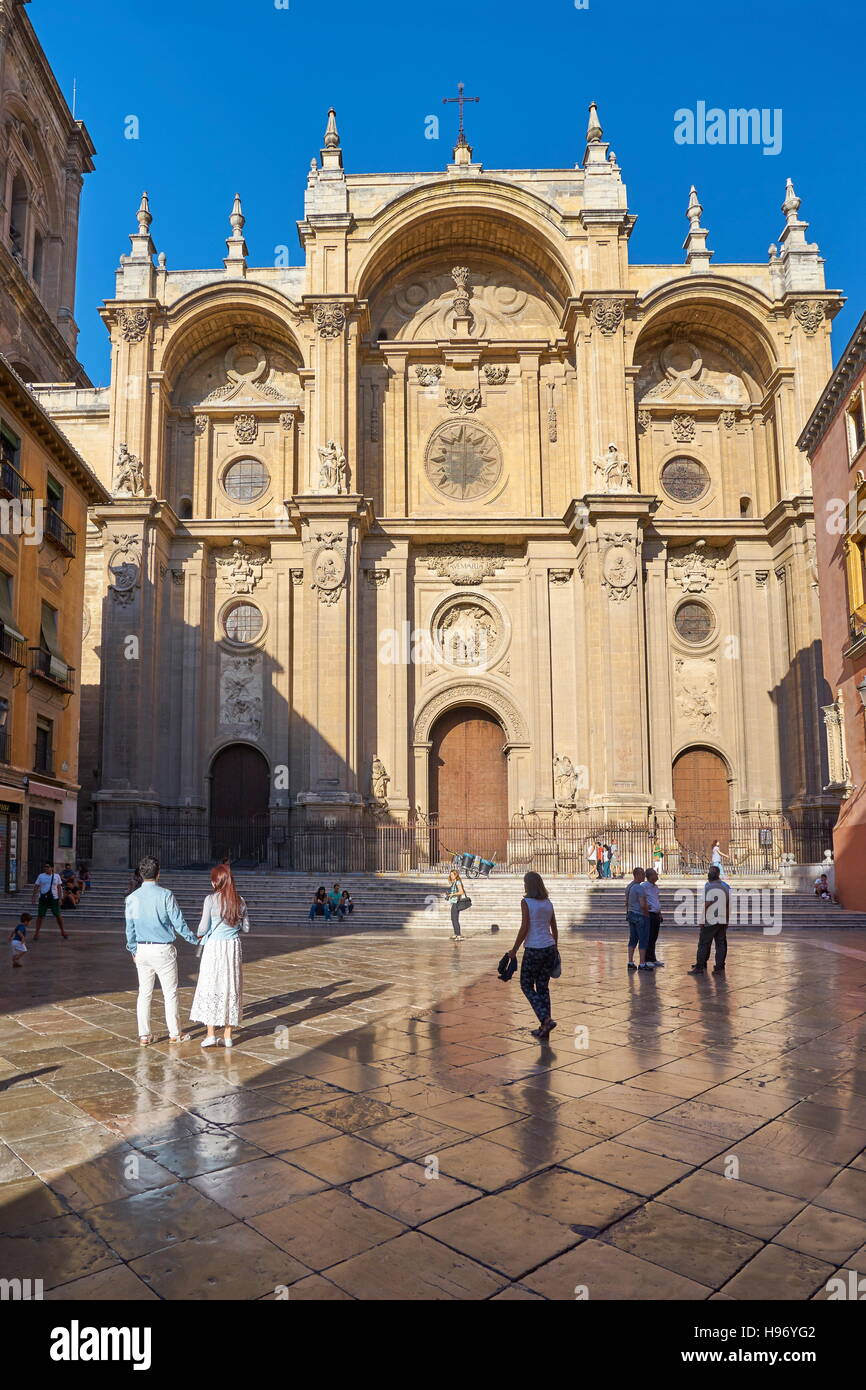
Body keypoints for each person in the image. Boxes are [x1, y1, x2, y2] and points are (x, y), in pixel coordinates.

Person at [125, 855, 199, 1045]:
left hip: (141, 949)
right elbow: (178, 923)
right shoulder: (165, 895)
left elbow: (129, 928)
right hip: (162, 950)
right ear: (158, 874)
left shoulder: (132, 898)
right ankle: (175, 1033)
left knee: (144, 993)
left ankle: (144, 1035)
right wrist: (193, 938)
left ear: (141, 874)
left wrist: (133, 949)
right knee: (170, 992)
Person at [191, 863, 250, 1049]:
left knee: (211, 985)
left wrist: (201, 932)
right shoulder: (240, 900)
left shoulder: (210, 899)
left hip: (214, 947)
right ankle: (228, 1035)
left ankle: (210, 1034)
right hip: (232, 947)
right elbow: (246, 928)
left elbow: (202, 927)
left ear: (216, 881)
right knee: (231, 986)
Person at [507, 871, 559, 1039]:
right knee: (543, 987)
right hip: (549, 947)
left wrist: (514, 949)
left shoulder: (526, 902)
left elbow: (525, 928)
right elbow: (554, 928)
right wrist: (555, 947)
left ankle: (546, 1019)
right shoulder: (548, 903)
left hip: (534, 948)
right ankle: (544, 1027)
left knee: (526, 985)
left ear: (528, 885)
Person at [689, 864, 731, 975]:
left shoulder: (709, 887)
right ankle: (719, 967)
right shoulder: (725, 887)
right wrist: (727, 920)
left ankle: (699, 967)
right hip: (722, 919)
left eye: (710, 872)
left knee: (703, 943)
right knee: (721, 944)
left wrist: (702, 920)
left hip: (711, 919)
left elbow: (707, 905)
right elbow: (727, 905)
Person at [31, 862, 68, 940]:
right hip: (43, 898)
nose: (46, 868)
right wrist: (33, 897)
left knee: (58, 915)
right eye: (45, 867)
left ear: (52, 868)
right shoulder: (41, 876)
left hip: (54, 898)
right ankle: (37, 933)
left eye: (47, 867)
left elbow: (59, 888)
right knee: (40, 915)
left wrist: (60, 898)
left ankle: (63, 931)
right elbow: (36, 886)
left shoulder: (57, 876)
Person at [626, 866, 653, 971]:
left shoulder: (629, 887)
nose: (644, 876)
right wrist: (647, 913)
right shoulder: (640, 888)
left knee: (633, 938)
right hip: (640, 915)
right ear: (637, 875)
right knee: (643, 939)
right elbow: (642, 904)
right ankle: (642, 963)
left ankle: (630, 961)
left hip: (631, 914)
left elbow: (626, 902)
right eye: (642, 874)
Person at [644, 867, 664, 967]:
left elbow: (656, 900)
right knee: (649, 937)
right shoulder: (644, 886)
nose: (657, 876)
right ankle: (647, 959)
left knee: (654, 937)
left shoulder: (655, 887)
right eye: (655, 874)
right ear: (650, 876)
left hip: (656, 914)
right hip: (649, 914)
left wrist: (660, 913)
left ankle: (653, 958)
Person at [447, 867, 469, 940]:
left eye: (452, 875)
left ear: (456, 875)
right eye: (450, 875)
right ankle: (456, 934)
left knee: (455, 919)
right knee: (453, 919)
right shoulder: (454, 882)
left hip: (456, 902)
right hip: (453, 902)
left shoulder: (458, 882)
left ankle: (459, 935)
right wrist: (450, 894)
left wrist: (453, 895)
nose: (451, 876)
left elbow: (461, 892)